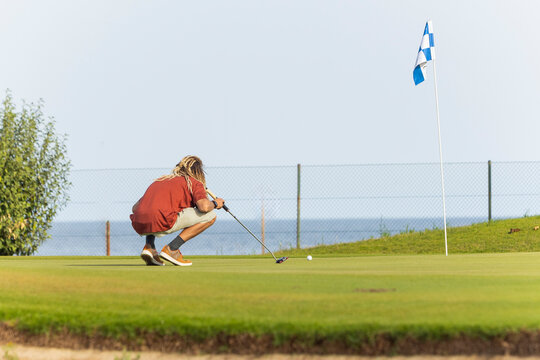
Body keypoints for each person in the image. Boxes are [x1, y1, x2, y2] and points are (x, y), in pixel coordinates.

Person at [130, 155, 225, 266]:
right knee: (210, 216)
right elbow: (204, 207)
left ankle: (149, 247)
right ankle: (172, 249)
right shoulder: (194, 182)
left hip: (138, 224)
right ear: (198, 171)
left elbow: (135, 208)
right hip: (162, 221)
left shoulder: (161, 180)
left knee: (155, 210)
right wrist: (215, 203)